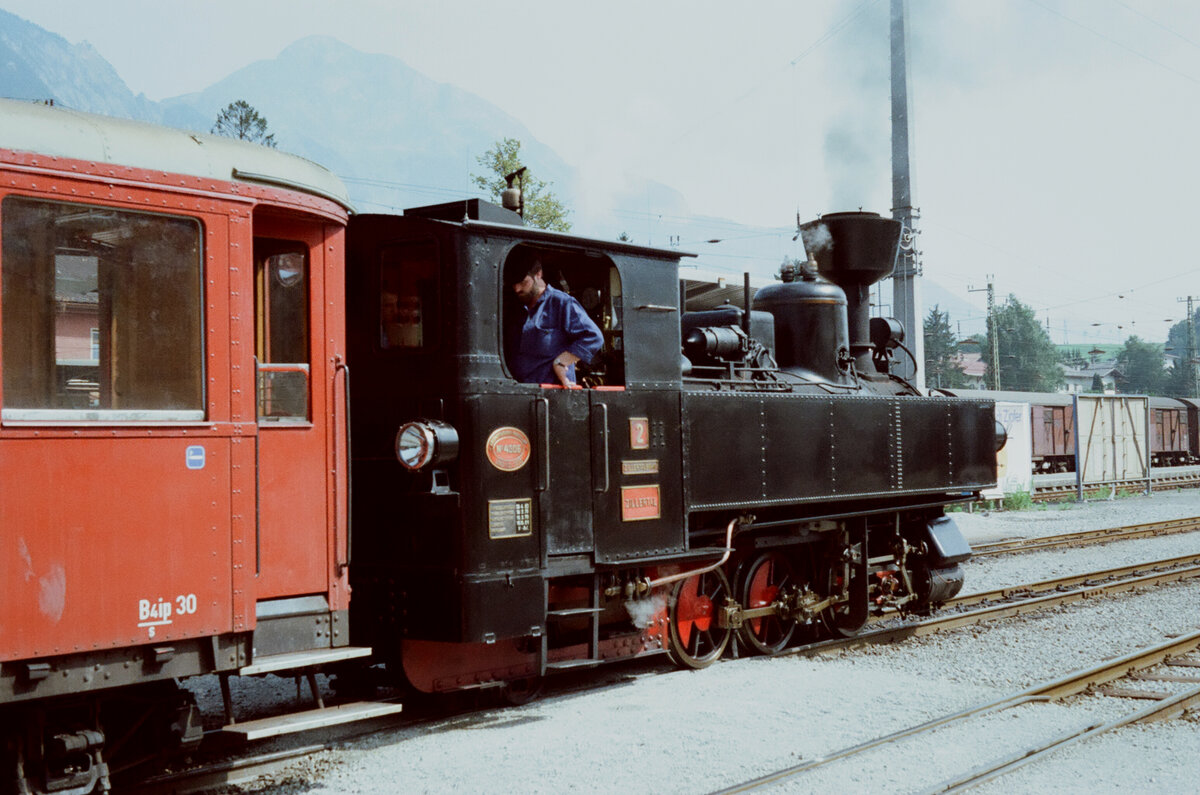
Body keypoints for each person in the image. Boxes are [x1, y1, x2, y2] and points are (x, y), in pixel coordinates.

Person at [508, 251, 603, 386]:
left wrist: (561, 362)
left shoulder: (562, 303)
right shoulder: (516, 309)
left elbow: (594, 337)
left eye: (523, 282)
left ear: (538, 274)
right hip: (518, 391)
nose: (517, 289)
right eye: (514, 284)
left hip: (551, 394)